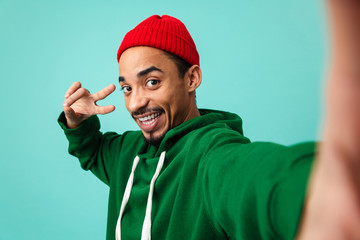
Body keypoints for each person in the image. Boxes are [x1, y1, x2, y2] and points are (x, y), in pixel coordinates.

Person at [59, 1, 360, 239]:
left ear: (192, 78)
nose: (135, 103)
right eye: (127, 88)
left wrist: (313, 193)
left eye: (151, 82)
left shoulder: (212, 157)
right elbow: (93, 151)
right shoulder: (127, 153)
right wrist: (78, 122)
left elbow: (251, 177)